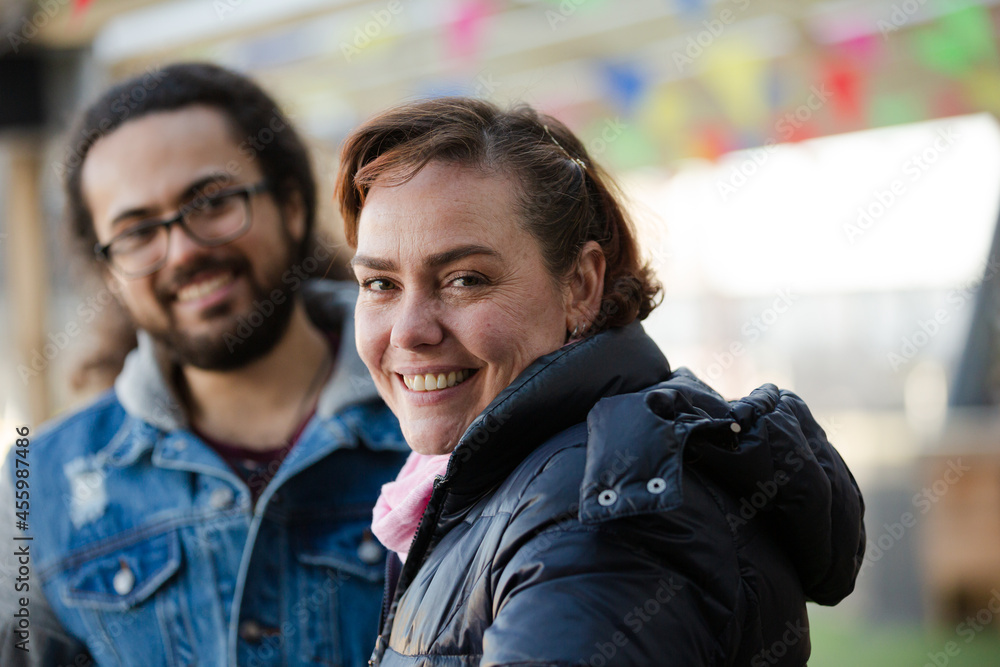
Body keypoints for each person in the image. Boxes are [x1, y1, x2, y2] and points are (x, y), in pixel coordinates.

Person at [335, 97, 867, 666]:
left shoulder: (600, 514)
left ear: (581, 286)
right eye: (380, 284)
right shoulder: (491, 483)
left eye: (466, 279)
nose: (410, 331)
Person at [0, 63, 409, 667]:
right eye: (137, 231)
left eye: (212, 201)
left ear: (292, 205)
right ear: (110, 271)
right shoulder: (38, 485)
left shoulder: (436, 417)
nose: (185, 251)